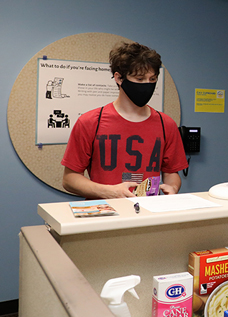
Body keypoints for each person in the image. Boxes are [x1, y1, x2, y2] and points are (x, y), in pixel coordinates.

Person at [62, 42, 188, 199]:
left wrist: (172, 188)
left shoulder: (166, 124)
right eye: (139, 79)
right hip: (106, 215)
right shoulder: (90, 122)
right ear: (119, 78)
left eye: (152, 79)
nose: (147, 85)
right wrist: (110, 192)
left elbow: (171, 172)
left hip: (149, 214)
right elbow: (69, 179)